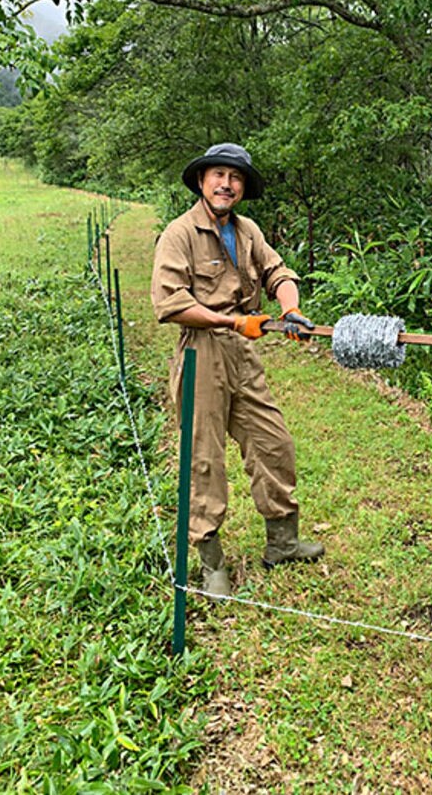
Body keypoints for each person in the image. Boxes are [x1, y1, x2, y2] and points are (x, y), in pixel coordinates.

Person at [151, 143, 324, 598]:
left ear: (243, 188)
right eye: (219, 175)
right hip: (201, 353)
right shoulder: (179, 233)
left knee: (274, 442)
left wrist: (291, 309)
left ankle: (282, 543)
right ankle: (211, 564)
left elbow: (277, 272)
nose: (227, 184)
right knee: (204, 459)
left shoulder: (247, 231)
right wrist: (232, 320)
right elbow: (170, 304)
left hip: (244, 355)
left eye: (236, 177)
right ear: (202, 181)